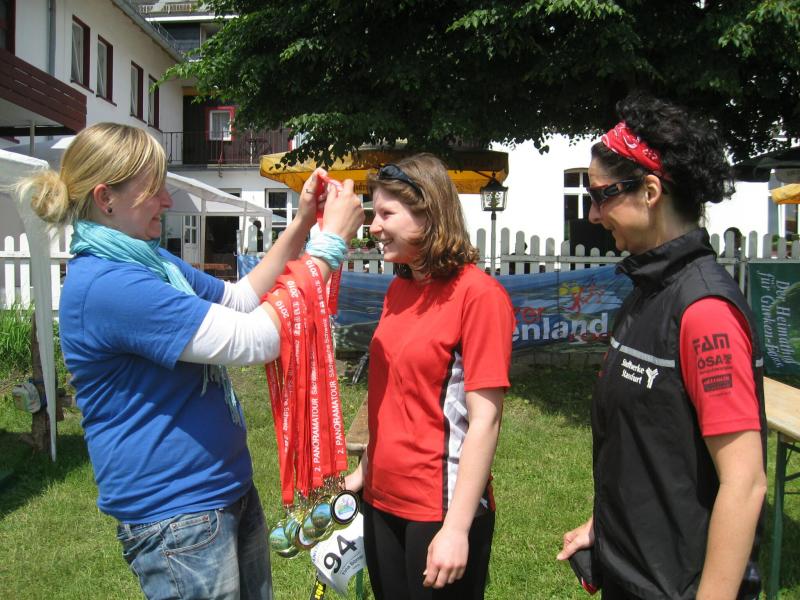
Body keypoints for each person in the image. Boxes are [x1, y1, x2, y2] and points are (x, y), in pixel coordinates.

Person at [16, 122, 363, 600]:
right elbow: (254, 339)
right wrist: (328, 246)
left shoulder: (147, 262)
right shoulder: (110, 286)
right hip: (179, 516)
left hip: (218, 493)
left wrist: (303, 223)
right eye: (153, 189)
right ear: (105, 198)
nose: (166, 201)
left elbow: (240, 299)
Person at [556, 94, 767, 599]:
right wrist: (605, 527)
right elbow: (650, 447)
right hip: (630, 572)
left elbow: (745, 483)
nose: (592, 213)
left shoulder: (704, 311)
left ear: (649, 191)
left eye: (601, 195)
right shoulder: (648, 291)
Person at [344, 154, 514, 600]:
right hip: (380, 497)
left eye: (386, 214)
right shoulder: (399, 288)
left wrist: (456, 528)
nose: (373, 227)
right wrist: (363, 472)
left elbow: (486, 420)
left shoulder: (480, 296)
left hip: (439, 508)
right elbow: (394, 396)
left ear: (428, 213)